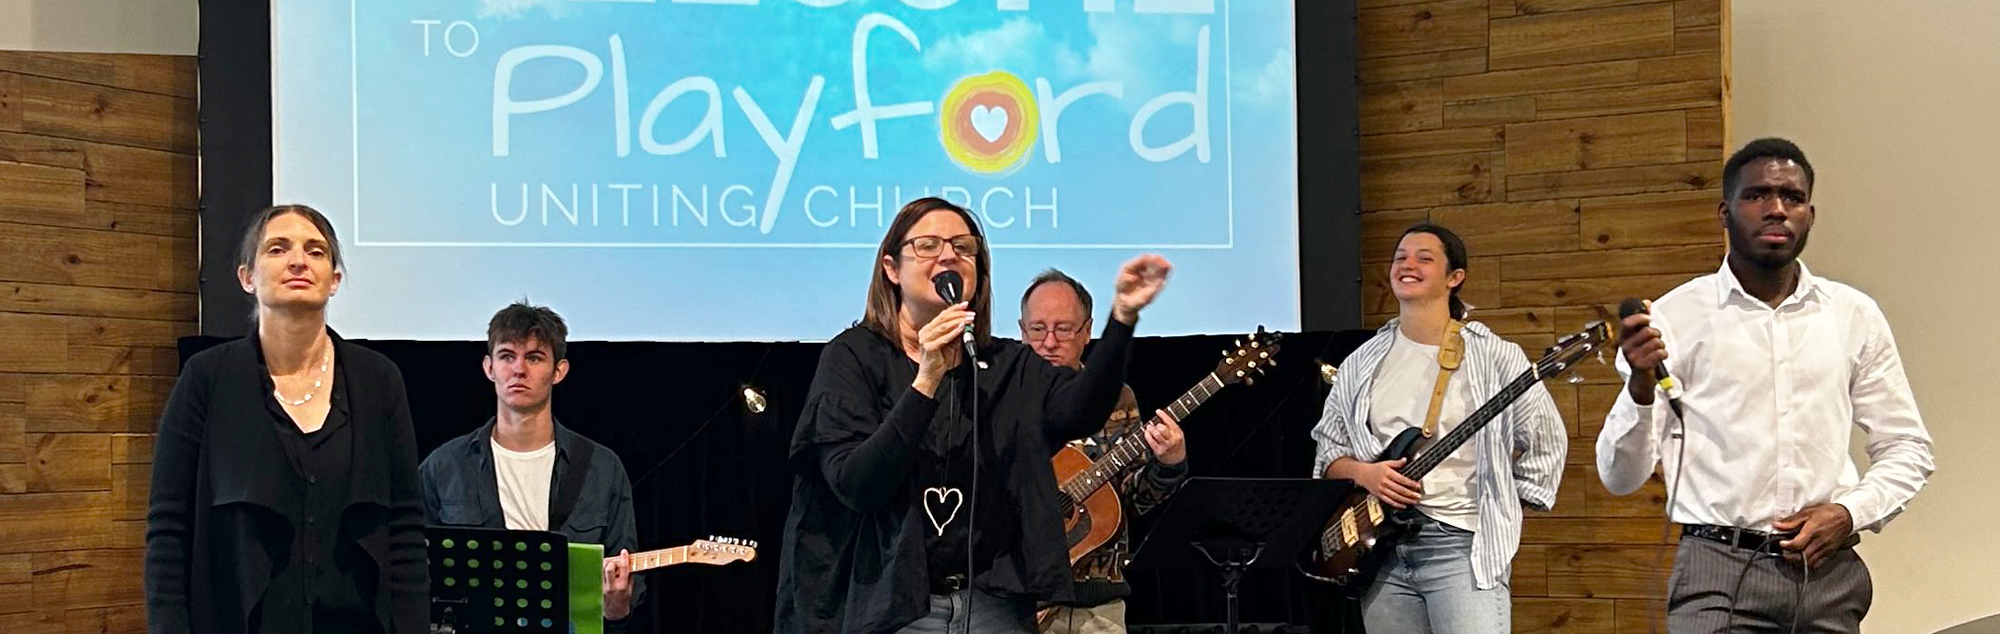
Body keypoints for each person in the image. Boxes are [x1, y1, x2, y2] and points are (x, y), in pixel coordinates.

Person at [774, 197, 1173, 633]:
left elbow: (1081, 410)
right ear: (891, 268)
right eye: (928, 245)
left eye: (964, 247)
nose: (949, 255)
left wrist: (1122, 319)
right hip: (889, 605)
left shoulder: (1004, 364)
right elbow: (858, 484)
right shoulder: (853, 358)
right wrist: (925, 381)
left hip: (991, 604)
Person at [1599, 137, 1934, 633]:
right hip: (1717, 567)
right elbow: (1619, 477)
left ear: (1810, 215)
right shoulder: (1676, 317)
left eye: (1792, 198)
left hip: (1826, 573)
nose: (1776, 209)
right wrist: (1641, 390)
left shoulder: (1852, 315)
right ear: (1725, 212)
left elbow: (1908, 447)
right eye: (1757, 195)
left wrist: (1849, 512)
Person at [145, 205, 428, 634]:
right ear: (247, 277)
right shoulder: (206, 378)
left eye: (316, 251)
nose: (298, 260)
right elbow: (169, 530)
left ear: (334, 280)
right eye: (278, 248)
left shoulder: (378, 381)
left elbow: (405, 529)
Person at [1311, 223, 1567, 634]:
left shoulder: (1495, 356)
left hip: (1461, 549)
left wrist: (1502, 502)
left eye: (1423, 258)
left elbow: (1546, 440)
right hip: (1380, 555)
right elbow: (1328, 455)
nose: (1407, 265)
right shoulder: (1361, 362)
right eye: (1400, 257)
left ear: (1455, 278)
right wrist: (1366, 474)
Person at [419, 301, 645, 630]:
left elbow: (620, 603)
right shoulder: (444, 467)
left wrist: (616, 601)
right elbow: (410, 573)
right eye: (507, 356)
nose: (519, 369)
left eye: (535, 357)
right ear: (489, 367)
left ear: (559, 371)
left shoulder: (602, 468)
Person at [1016, 269, 1187, 634]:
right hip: (1015, 602)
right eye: (1037, 329)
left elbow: (1133, 502)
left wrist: (1169, 465)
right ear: (1020, 330)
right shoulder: (1001, 399)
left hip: (1097, 604)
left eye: (1063, 329)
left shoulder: (1116, 400)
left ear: (1088, 331)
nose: (1049, 342)